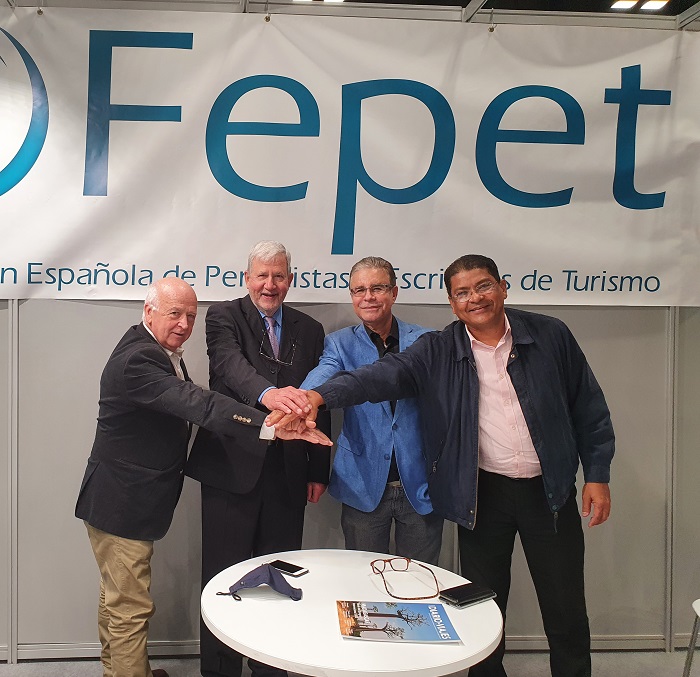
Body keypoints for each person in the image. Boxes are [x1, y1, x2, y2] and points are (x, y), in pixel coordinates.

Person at [269, 254, 615, 677]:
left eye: (483, 287)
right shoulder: (440, 348)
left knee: (565, 608)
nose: (475, 299)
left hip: (551, 493)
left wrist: (597, 473)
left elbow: (589, 406)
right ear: (452, 303)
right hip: (482, 495)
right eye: (462, 293)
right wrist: (313, 398)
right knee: (484, 607)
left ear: (503, 287)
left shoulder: (550, 334)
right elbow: (377, 377)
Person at [75, 277, 329, 677]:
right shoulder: (139, 359)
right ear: (148, 312)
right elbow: (199, 403)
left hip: (121, 500)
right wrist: (269, 426)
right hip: (121, 502)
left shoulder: (155, 350)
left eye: (191, 315)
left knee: (117, 599)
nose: (184, 324)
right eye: (174, 313)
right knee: (129, 608)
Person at [185, 241, 331, 677]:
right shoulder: (223, 316)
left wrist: (318, 469)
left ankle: (270, 668)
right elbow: (230, 366)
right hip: (230, 469)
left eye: (279, 276)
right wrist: (270, 395)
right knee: (223, 580)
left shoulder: (311, 329)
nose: (270, 284)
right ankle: (220, 671)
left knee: (278, 579)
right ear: (247, 278)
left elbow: (322, 398)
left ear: (291, 279)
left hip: (289, 472)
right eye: (262, 276)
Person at [301, 256, 443, 563]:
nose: (368, 297)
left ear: (394, 293)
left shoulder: (427, 341)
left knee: (420, 580)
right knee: (364, 578)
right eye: (359, 290)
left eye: (377, 288)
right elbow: (323, 374)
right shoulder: (339, 344)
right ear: (352, 296)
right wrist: (301, 401)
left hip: (420, 486)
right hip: (362, 484)